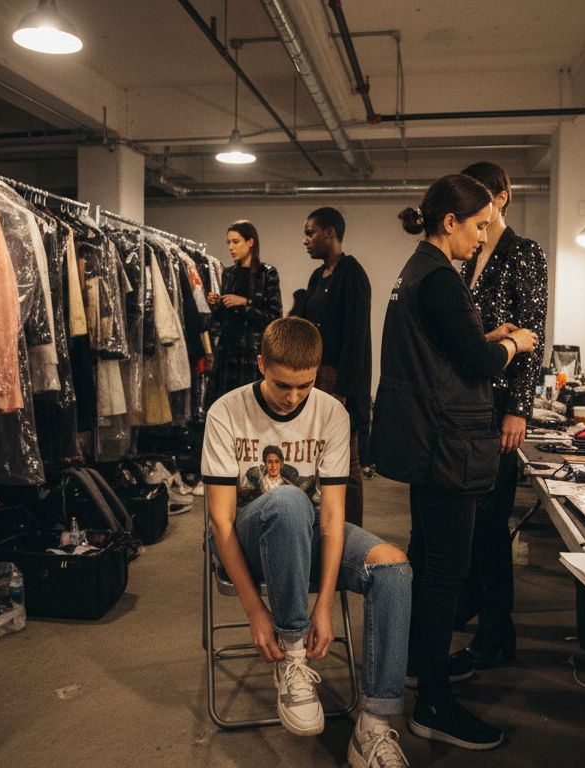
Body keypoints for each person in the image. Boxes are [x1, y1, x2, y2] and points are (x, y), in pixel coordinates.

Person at [369, 174, 538, 750]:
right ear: (451, 223)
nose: (483, 236)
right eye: (480, 225)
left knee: (431, 562)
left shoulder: (418, 270)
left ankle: (421, 668)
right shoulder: (441, 276)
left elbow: (442, 347)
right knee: (446, 572)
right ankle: (434, 704)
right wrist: (517, 343)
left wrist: (486, 334)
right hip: (448, 443)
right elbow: (478, 362)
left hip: (430, 439)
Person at [203, 317, 413, 768]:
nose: (293, 397)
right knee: (288, 502)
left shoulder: (332, 412)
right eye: (282, 385)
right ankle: (292, 655)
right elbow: (220, 524)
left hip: (308, 533)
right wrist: (255, 611)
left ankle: (373, 727)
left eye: (305, 385)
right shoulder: (225, 411)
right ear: (261, 364)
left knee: (393, 568)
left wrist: (323, 606)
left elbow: (335, 516)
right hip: (248, 538)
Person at [451, 162, 546, 676]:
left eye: (487, 195)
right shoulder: (464, 255)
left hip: (500, 405)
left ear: (504, 197)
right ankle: (473, 607)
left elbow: (533, 336)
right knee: (470, 523)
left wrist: (519, 411)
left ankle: (496, 630)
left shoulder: (523, 252)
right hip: (466, 401)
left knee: (491, 525)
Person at [295, 206, 372, 526]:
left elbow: (356, 337)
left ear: (330, 233)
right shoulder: (317, 276)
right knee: (317, 455)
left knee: (347, 460)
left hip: (340, 380)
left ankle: (351, 530)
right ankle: (323, 522)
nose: (306, 240)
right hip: (314, 376)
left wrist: (342, 391)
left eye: (310, 233)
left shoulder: (352, 274)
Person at [206, 220, 281, 409]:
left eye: (235, 242)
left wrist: (245, 303)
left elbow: (274, 316)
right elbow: (222, 317)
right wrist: (216, 304)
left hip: (252, 353)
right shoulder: (228, 273)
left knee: (250, 407)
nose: (231, 247)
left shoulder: (267, 274)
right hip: (227, 351)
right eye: (228, 242)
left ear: (250, 242)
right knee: (224, 407)